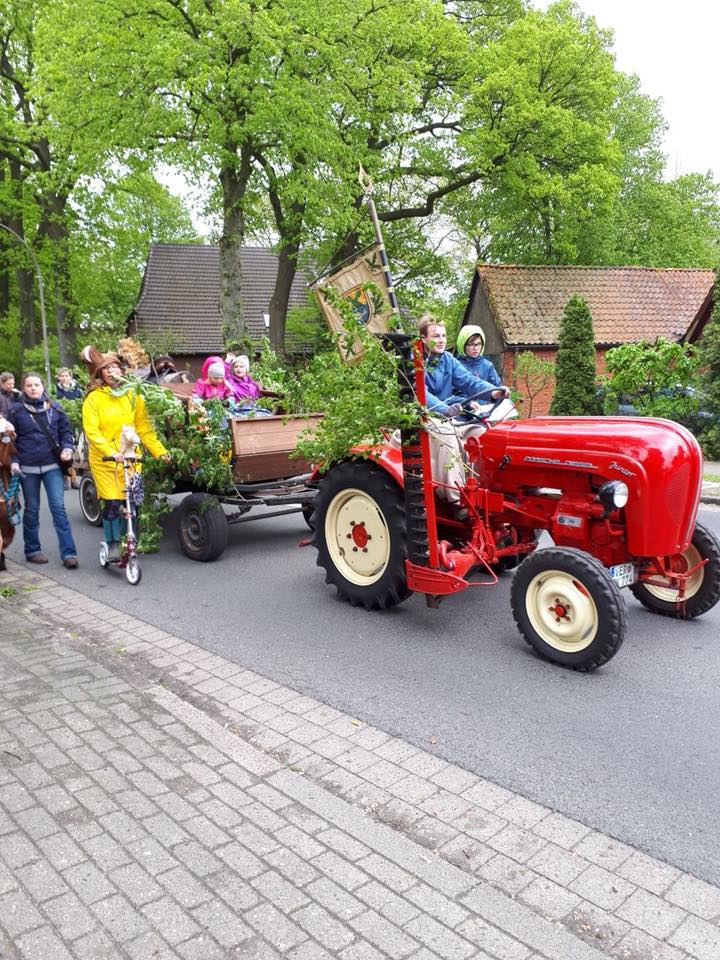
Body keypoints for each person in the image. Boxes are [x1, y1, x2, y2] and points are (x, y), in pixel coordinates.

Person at [80, 345, 169, 561]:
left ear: (122, 370)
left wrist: (160, 452)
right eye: (106, 370)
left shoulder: (133, 395)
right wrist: (111, 451)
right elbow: (92, 432)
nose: (112, 373)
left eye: (115, 369)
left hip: (131, 457)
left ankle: (130, 542)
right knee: (111, 503)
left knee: (133, 501)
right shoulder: (94, 399)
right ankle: (111, 544)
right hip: (106, 461)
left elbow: (144, 429)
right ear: (100, 374)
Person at [418, 316, 510, 516]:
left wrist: (493, 391)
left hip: (449, 413)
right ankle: (456, 499)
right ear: (423, 338)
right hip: (425, 415)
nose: (441, 340)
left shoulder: (448, 360)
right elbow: (422, 394)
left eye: (443, 335)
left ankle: (482, 487)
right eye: (435, 336)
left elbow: (469, 382)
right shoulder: (416, 362)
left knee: (480, 433)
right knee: (447, 435)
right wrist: (443, 408)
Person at [8, 372, 79, 568]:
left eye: (36, 385)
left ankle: (69, 553)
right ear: (24, 388)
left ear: (43, 386)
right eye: (29, 385)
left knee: (58, 509)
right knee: (31, 510)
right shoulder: (15, 412)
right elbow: (10, 440)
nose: (33, 388)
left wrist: (67, 448)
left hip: (52, 467)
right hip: (27, 468)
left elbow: (66, 433)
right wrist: (13, 461)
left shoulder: (55, 408)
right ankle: (32, 550)